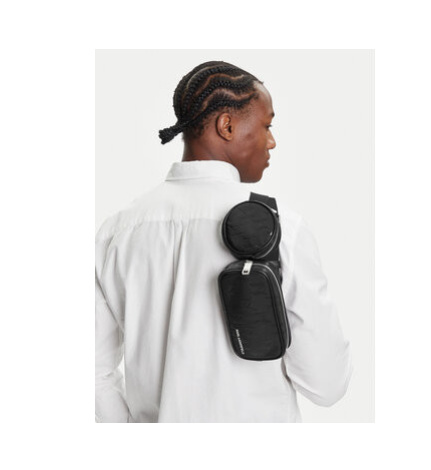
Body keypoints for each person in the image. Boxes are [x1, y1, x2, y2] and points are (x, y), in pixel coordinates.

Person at [95, 60, 353, 423]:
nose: (272, 141)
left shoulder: (117, 232)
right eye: (266, 125)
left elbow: (92, 373)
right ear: (227, 125)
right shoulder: (282, 226)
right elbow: (327, 383)